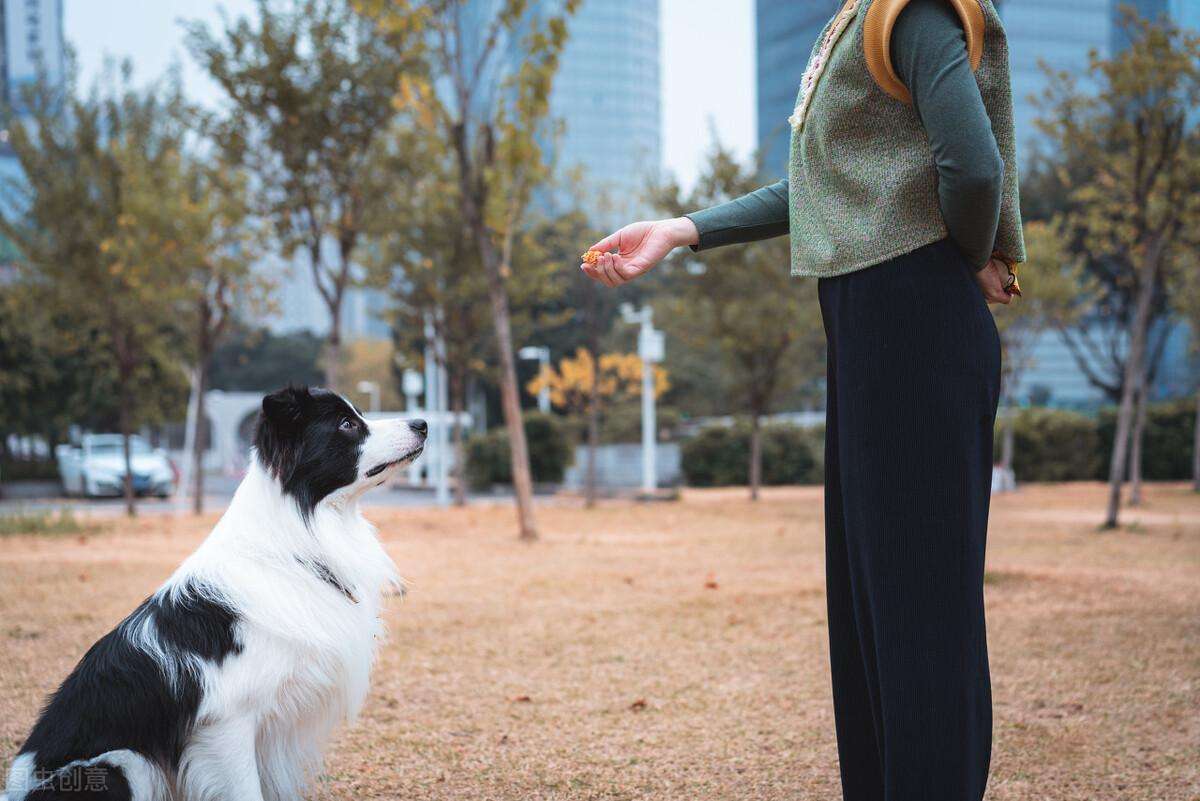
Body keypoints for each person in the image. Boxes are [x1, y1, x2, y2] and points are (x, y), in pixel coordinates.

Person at [580, 1, 1024, 799]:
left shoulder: (914, 12)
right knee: (871, 612)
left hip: (916, 317)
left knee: (921, 613)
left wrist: (965, 255)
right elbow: (824, 188)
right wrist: (681, 229)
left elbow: (977, 169)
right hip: (873, 321)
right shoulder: (860, 16)